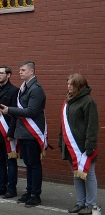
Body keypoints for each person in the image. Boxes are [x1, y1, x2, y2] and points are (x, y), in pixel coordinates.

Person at [1, 60, 47, 208]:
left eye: (23, 70)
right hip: (23, 132)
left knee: (34, 164)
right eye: (20, 70)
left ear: (32, 72)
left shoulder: (36, 89)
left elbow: (31, 111)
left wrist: (10, 110)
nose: (20, 72)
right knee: (28, 164)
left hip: (32, 132)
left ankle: (35, 194)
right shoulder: (24, 88)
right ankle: (29, 191)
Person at [59, 74, 99, 214]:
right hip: (70, 146)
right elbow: (64, 125)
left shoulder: (88, 101)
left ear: (80, 86)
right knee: (77, 175)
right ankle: (80, 203)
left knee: (89, 175)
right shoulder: (68, 101)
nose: (69, 86)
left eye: (72, 84)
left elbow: (92, 125)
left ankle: (91, 204)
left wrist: (90, 144)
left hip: (83, 147)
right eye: (68, 83)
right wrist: (61, 142)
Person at [0, 66, 19, 198]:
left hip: (8, 131)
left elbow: (14, 113)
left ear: (9, 75)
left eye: (1, 73)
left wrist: (11, 132)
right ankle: (1, 186)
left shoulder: (14, 91)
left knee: (10, 162)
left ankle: (11, 189)